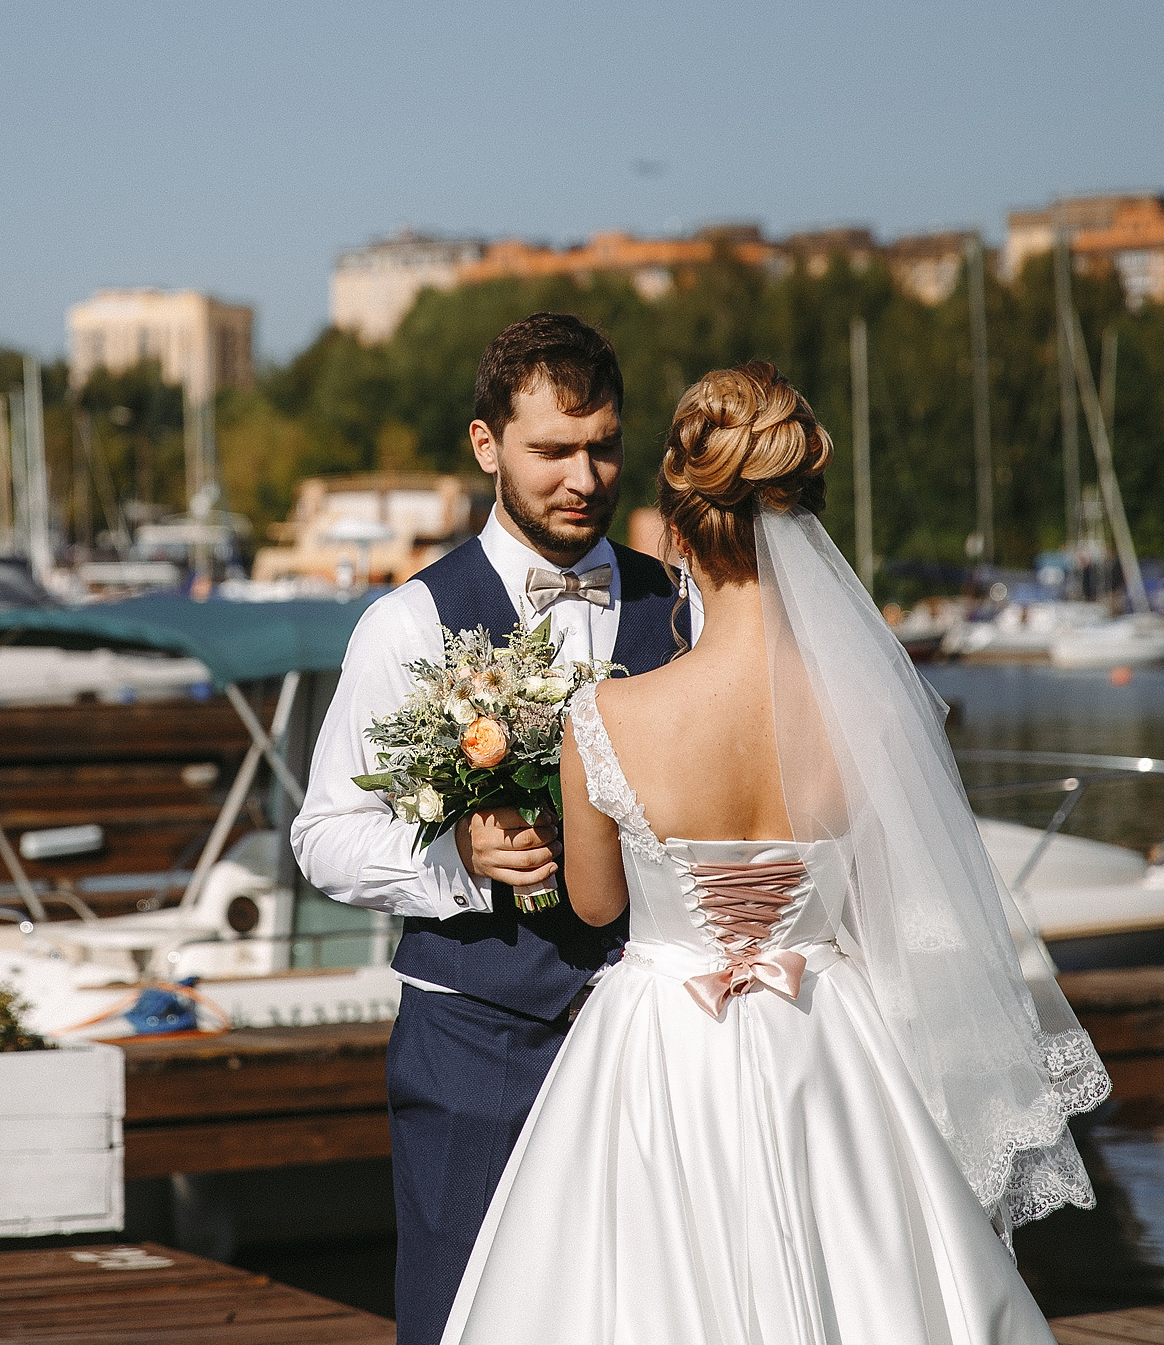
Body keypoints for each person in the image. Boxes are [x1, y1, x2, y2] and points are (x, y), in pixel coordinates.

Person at [441, 363, 1108, 1344]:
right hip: (828, 1038)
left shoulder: (605, 715)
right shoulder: (875, 710)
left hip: (662, 1048)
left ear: (677, 533)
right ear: (805, 521)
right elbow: (897, 903)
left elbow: (594, 904)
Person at [291, 312, 696, 1345]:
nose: (584, 477)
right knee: (461, 1321)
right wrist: (459, 861)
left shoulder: (680, 609)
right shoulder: (406, 623)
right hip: (475, 1047)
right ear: (487, 445)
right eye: (553, 449)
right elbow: (323, 834)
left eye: (604, 446)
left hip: (653, 1045)